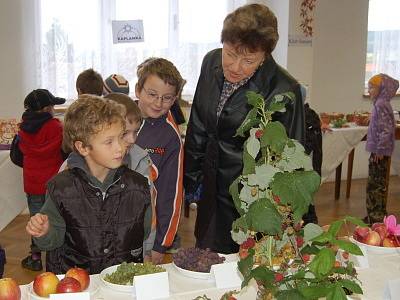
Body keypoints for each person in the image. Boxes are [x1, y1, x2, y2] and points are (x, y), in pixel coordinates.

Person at [184, 3, 305, 254]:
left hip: (249, 200)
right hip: (209, 189)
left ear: (264, 56)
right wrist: (192, 179)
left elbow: (291, 162)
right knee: (206, 259)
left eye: (248, 60)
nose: (235, 67)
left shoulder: (283, 89)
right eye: (230, 53)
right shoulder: (211, 62)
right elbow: (198, 123)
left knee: (242, 270)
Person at [26, 95, 152, 274]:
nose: (119, 147)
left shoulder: (138, 186)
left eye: (120, 137)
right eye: (109, 141)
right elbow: (51, 242)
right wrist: (44, 231)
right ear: (83, 147)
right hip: (77, 285)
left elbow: (144, 231)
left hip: (122, 284)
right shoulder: (61, 188)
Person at [135, 57, 184, 264]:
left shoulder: (170, 137)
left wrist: (161, 244)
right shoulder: (116, 118)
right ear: (138, 90)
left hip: (145, 234)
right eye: (152, 94)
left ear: (174, 100)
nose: (158, 103)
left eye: (167, 98)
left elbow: (171, 195)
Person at [104, 92, 156, 260]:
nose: (132, 139)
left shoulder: (141, 161)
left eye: (136, 132)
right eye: (125, 133)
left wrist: (147, 250)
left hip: (131, 252)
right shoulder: (75, 165)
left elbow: (149, 209)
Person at [17, 89, 65, 271]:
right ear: (46, 109)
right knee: (56, 218)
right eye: (52, 106)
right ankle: (58, 253)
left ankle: (35, 257)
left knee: (36, 220)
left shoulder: (22, 128)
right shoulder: (55, 127)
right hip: (53, 182)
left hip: (33, 183)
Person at [364, 73, 399, 224]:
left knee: (376, 185)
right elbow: (381, 124)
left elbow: (386, 129)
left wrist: (380, 149)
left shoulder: (381, 104)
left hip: (380, 153)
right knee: (373, 183)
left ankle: (376, 217)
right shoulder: (380, 103)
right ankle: (373, 214)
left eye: (372, 87)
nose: (369, 90)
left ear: (381, 89)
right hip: (378, 151)